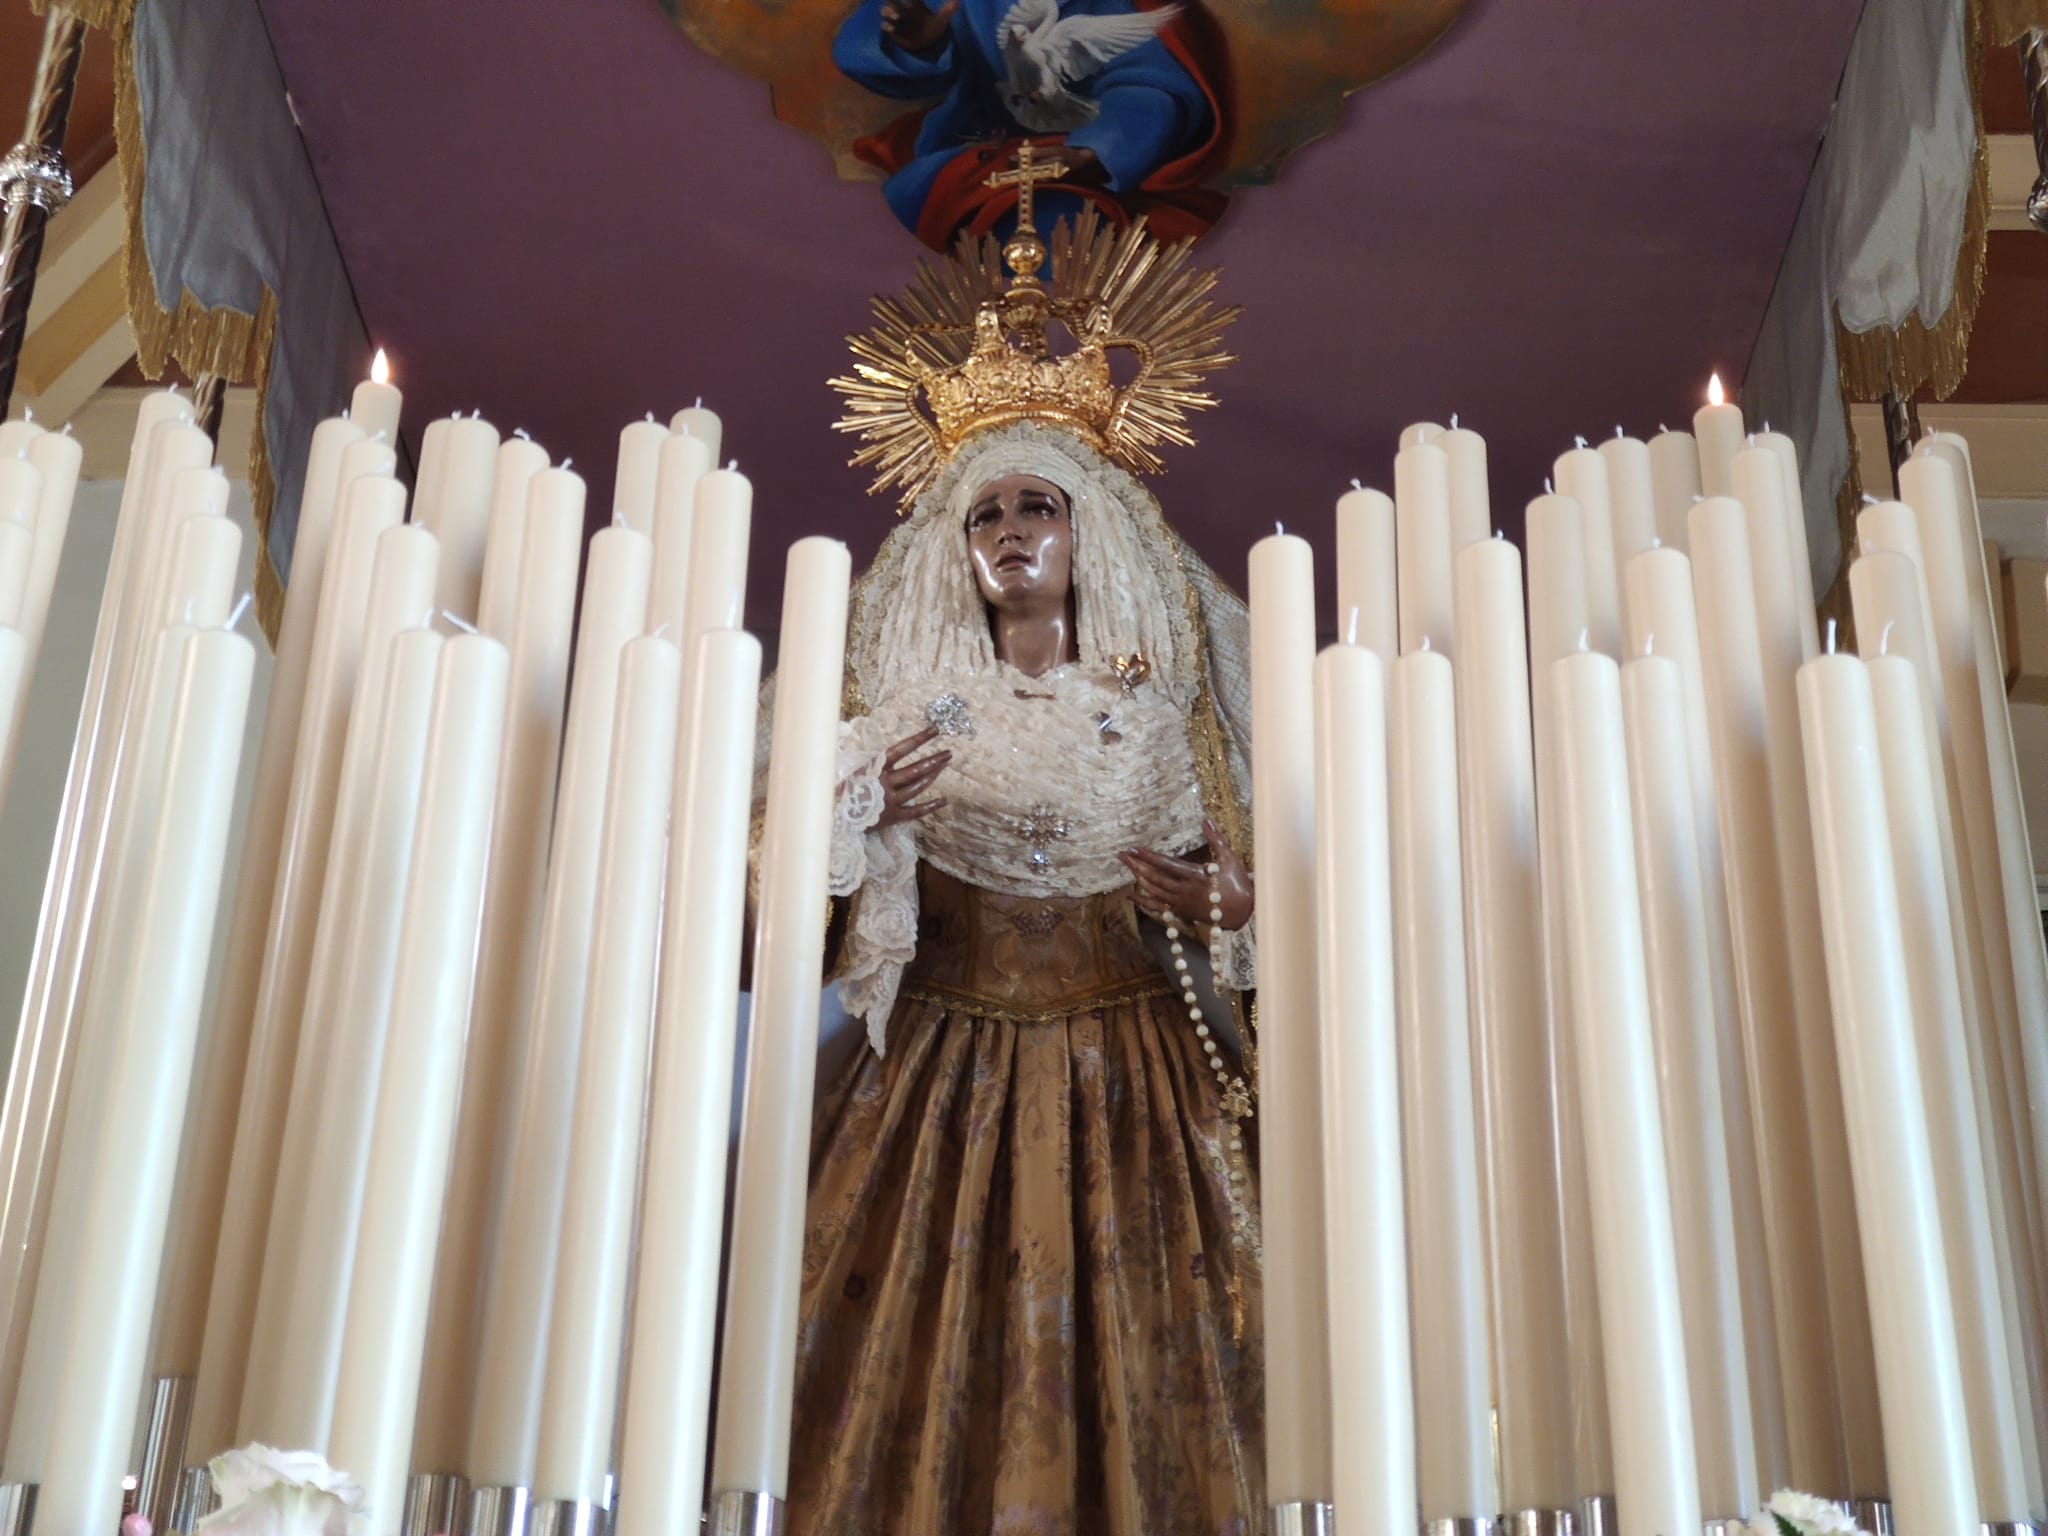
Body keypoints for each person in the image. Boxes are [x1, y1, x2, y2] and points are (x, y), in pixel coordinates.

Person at [782, 204, 1262, 1532]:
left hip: (1141, 1069)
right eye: (984, 510)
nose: (1009, 530)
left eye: (1036, 504)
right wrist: (862, 822)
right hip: (937, 1070)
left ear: (1085, 532)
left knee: (1174, 1349)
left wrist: (1232, 912)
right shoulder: (903, 724)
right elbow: (789, 928)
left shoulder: (1165, 726)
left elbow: (1260, 903)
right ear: (957, 543)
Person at [832, 0, 1226, 246]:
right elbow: (867, 46)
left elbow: (1150, 87)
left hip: (1084, 162)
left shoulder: (1122, 4)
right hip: (972, 145)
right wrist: (920, 43)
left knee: (1064, 229)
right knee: (916, 193)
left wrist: (1097, 150)